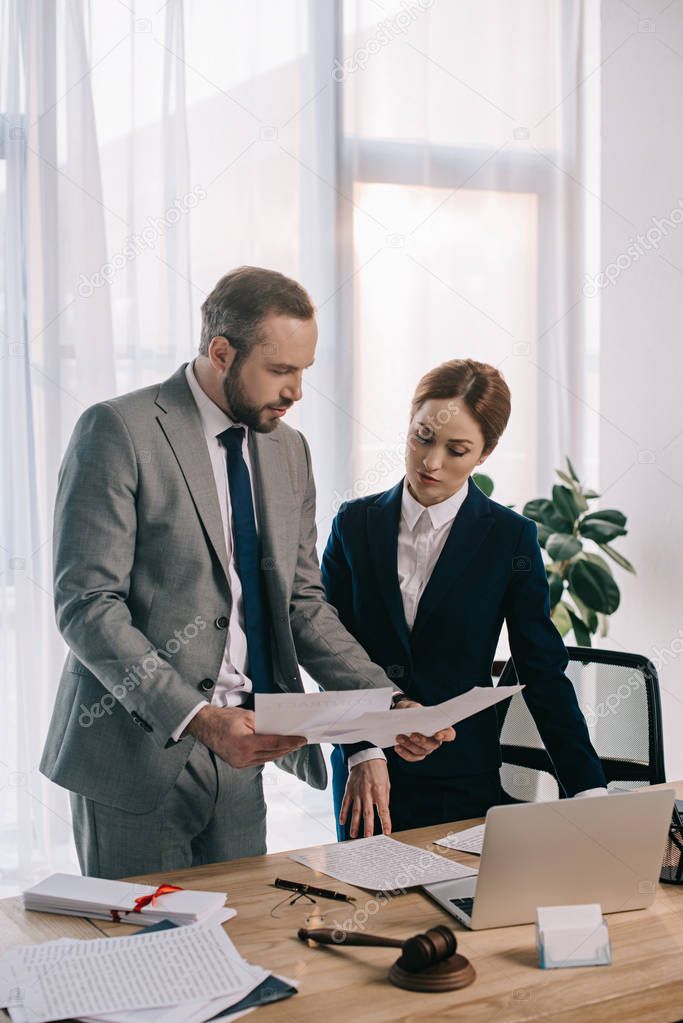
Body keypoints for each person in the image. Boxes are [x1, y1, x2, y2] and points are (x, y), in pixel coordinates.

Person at [40, 266, 452, 878]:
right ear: (221, 352)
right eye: (281, 371)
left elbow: (303, 604)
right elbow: (87, 604)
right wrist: (199, 719)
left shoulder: (289, 450)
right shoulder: (118, 430)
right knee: (142, 958)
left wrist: (385, 705)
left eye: (304, 371)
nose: (296, 392)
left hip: (243, 760)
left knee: (239, 949)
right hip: (134, 757)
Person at [322, 358, 607, 840]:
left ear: (485, 452)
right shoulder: (354, 523)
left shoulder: (510, 538)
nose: (431, 462)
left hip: (460, 777)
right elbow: (328, 646)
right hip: (368, 772)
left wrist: (588, 790)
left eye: (457, 450)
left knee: (463, 909)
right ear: (409, 421)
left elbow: (541, 669)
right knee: (368, 911)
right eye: (422, 437)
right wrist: (364, 749)